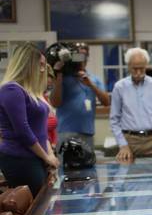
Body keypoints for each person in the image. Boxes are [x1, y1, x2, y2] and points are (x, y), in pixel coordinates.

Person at [0, 43, 59, 196]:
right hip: (20, 158)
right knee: (36, 209)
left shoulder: (32, 92)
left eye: (44, 65)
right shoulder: (11, 89)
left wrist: (50, 155)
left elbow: (41, 129)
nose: (43, 70)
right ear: (27, 65)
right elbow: (23, 130)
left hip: (37, 157)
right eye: (40, 65)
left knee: (44, 203)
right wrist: (46, 157)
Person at [110, 48, 152, 161]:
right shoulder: (119, 87)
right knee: (130, 177)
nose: (139, 73)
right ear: (128, 66)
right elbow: (114, 120)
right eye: (135, 69)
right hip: (130, 142)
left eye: (142, 68)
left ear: (146, 66)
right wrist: (123, 145)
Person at [49, 42, 109, 150]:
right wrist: (59, 76)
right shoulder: (63, 78)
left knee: (87, 165)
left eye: (84, 55)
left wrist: (90, 84)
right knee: (65, 166)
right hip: (65, 132)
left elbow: (106, 102)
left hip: (87, 133)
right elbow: (55, 103)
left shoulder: (94, 79)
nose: (81, 58)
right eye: (78, 55)